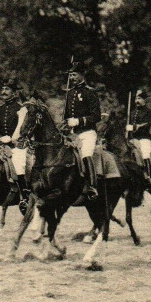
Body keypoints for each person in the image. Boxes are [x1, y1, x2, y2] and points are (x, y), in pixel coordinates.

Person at [63, 60, 101, 199]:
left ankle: (92, 186)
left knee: (86, 154)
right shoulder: (69, 93)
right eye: (70, 75)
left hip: (87, 133)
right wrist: (66, 123)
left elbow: (96, 116)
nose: (71, 78)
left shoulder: (90, 92)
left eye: (74, 75)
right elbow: (66, 116)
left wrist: (78, 121)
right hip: (73, 134)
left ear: (81, 75)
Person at [0, 78, 30, 208]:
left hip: (16, 146)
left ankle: (24, 197)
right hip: (0, 145)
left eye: (7, 89)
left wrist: (12, 138)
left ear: (14, 92)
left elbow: (24, 129)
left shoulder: (20, 109)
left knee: (18, 166)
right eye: (2, 89)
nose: (4, 91)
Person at [129, 88, 151, 191]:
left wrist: (134, 127)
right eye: (136, 98)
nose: (137, 101)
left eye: (140, 98)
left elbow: (146, 125)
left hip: (144, 138)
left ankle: (149, 177)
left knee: (145, 152)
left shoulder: (149, 112)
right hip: (133, 139)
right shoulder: (132, 112)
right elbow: (128, 125)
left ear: (144, 100)